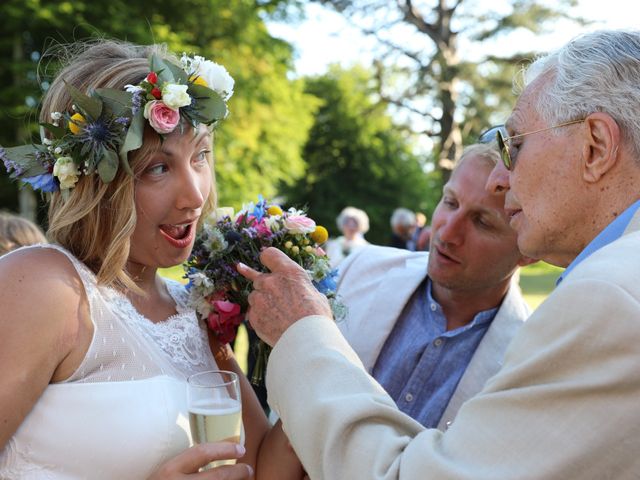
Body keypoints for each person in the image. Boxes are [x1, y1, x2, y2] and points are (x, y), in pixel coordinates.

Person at [238, 29, 640, 479]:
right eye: (449, 202)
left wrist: (304, 332)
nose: (500, 180)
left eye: (516, 144)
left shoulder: (609, 297)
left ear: (596, 147)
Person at [0, 40, 304, 479]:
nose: (196, 195)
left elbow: (260, 467)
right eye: (157, 168)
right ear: (97, 185)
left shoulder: (194, 312)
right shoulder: (45, 286)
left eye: (200, 155)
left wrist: (308, 338)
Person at [336, 144, 532, 429]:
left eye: (482, 222)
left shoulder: (528, 362)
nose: (447, 233)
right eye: (450, 202)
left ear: (528, 248)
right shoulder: (359, 270)